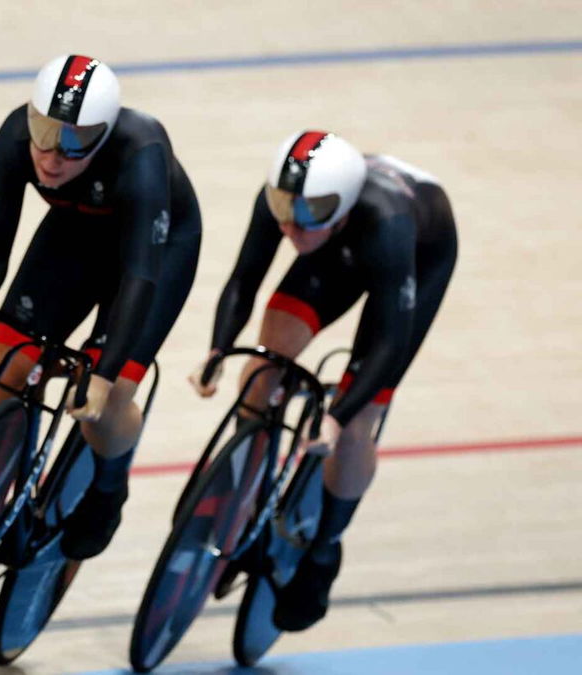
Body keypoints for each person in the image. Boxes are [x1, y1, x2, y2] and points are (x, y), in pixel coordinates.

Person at [192, 130, 457, 630]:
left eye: (309, 213)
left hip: (416, 259)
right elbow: (244, 278)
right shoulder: (291, 205)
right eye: (284, 209)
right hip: (336, 246)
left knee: (358, 422)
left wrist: (336, 417)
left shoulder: (389, 222)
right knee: (264, 368)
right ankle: (246, 492)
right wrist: (218, 349)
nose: (292, 225)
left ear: (340, 206)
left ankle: (323, 551)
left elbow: (388, 344)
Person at [0, 54, 202, 561]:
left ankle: (109, 490)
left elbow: (139, 276)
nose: (52, 156)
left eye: (74, 143)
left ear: (104, 134)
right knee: (5, 373)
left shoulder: (143, 151)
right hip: (75, 230)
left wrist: (105, 373)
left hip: (154, 251)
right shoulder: (16, 137)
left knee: (104, 401)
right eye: (43, 132)